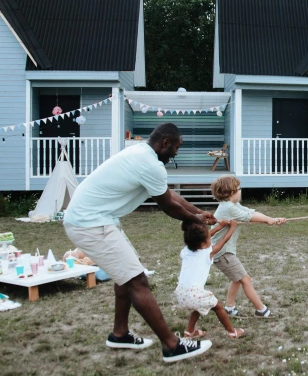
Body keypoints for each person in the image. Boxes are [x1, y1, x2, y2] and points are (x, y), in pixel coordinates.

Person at [63, 122, 217, 363]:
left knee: (125, 277)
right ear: (165, 143)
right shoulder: (149, 164)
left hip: (99, 220)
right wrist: (194, 219)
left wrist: (197, 211)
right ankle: (172, 346)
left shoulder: (140, 154)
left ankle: (120, 333)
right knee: (137, 280)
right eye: (176, 147)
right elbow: (167, 206)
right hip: (90, 223)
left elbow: (167, 194)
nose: (176, 153)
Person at [210, 175, 286, 318]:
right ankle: (261, 311)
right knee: (245, 279)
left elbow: (251, 212)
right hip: (222, 253)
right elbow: (249, 218)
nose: (241, 191)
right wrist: (269, 220)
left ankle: (229, 308)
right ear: (230, 192)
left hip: (225, 251)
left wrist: (271, 219)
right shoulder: (228, 208)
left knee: (237, 279)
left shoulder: (232, 205)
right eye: (239, 189)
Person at [176, 219, 245, 339]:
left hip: (181, 293)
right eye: (208, 239)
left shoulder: (186, 251)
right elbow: (223, 241)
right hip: (194, 293)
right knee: (218, 306)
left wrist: (220, 226)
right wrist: (232, 227)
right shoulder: (208, 252)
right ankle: (232, 332)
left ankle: (190, 331)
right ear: (203, 244)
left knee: (198, 306)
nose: (210, 239)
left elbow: (205, 236)